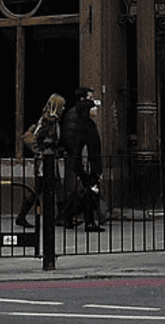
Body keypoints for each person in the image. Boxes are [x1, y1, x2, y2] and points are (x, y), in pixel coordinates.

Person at [15, 93, 66, 228]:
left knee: (56, 187)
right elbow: (37, 139)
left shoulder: (54, 121)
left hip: (50, 159)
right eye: (62, 105)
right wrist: (48, 146)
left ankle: (61, 216)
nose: (64, 108)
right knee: (40, 188)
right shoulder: (46, 121)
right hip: (44, 161)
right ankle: (22, 216)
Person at [58, 88, 104, 232]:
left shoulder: (84, 123)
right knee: (90, 192)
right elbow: (84, 147)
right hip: (87, 164)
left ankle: (69, 216)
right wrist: (89, 166)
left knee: (85, 192)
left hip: (84, 164)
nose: (95, 109)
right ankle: (88, 221)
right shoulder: (84, 125)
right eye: (92, 106)